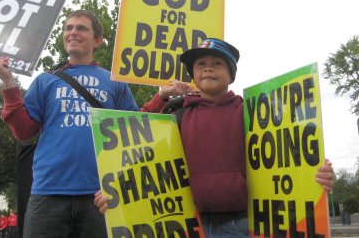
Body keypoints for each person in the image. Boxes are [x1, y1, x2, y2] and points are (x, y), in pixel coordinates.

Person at [95, 38, 335, 237]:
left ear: (231, 76)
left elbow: (292, 152)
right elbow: (134, 135)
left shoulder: (252, 113)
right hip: (191, 224)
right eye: (200, 64)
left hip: (244, 223)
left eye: (217, 63)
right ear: (193, 75)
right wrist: (114, 190)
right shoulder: (177, 114)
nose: (208, 68)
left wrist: (319, 176)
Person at [0, 9, 139, 238]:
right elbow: (24, 131)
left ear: (98, 40)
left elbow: (135, 132)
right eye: (68, 28)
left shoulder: (116, 82)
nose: (73, 32)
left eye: (81, 28)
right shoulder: (46, 80)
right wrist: (8, 82)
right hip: (47, 195)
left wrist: (121, 185)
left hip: (101, 196)